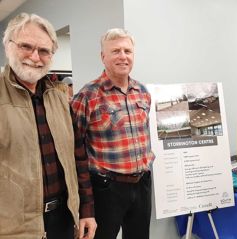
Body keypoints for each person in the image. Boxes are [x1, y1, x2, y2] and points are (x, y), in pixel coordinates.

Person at [0, 13, 96, 238]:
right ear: (8, 47)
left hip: (63, 220)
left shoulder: (60, 98)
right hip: (14, 229)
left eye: (44, 50)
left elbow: (78, 157)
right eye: (26, 46)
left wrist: (86, 211)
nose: (35, 57)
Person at [71, 28, 155, 239]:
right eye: (116, 51)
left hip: (142, 183)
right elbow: (73, 147)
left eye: (127, 51)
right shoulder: (87, 95)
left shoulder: (143, 92)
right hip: (106, 188)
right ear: (103, 57)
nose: (123, 56)